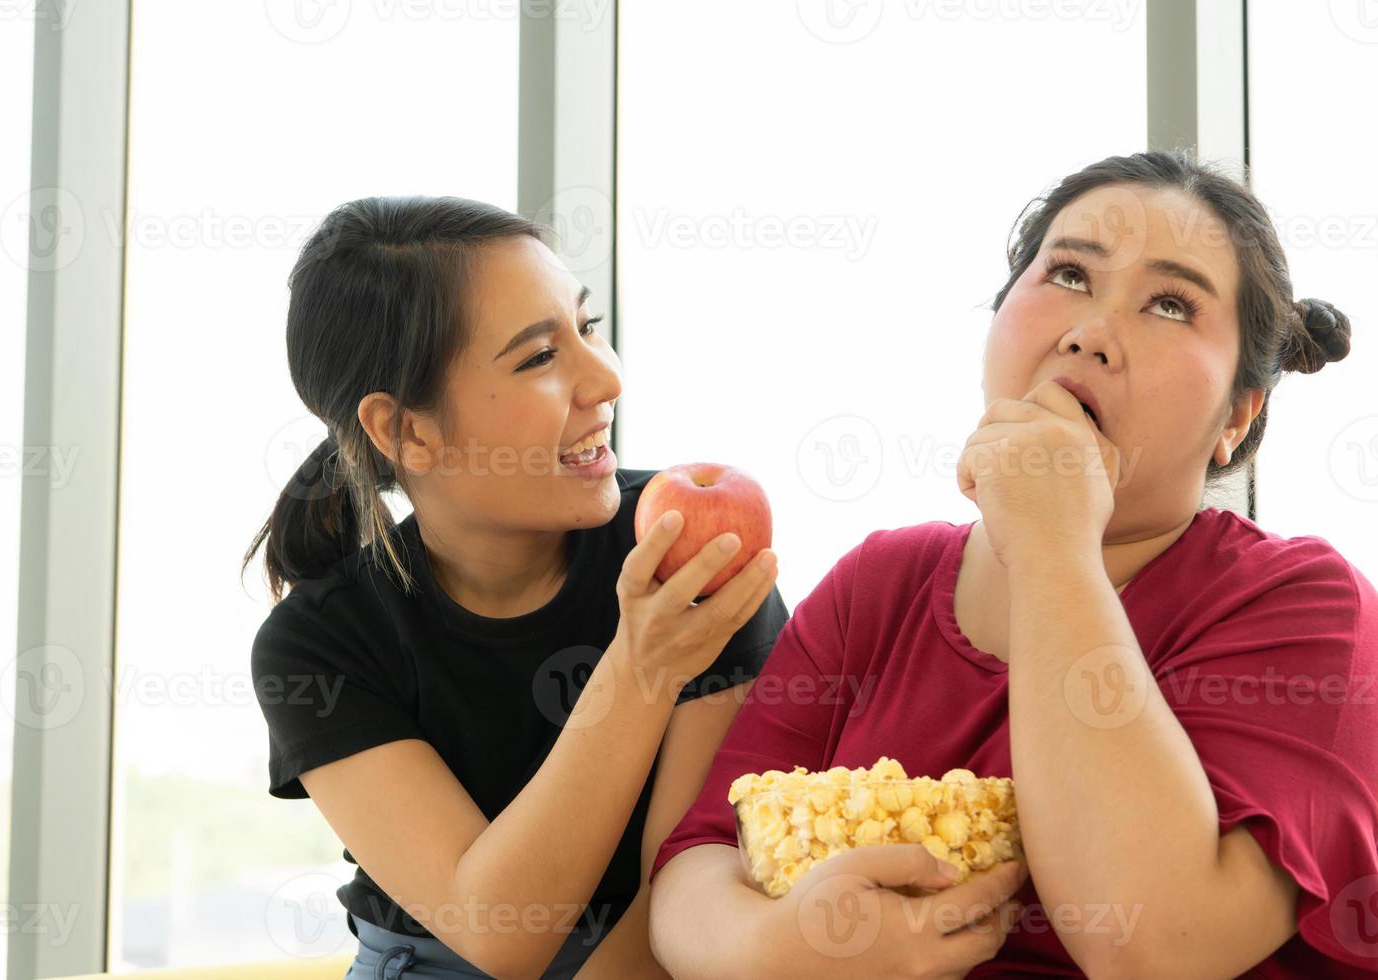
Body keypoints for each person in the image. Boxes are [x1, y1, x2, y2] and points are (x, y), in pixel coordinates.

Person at [648, 150, 1378, 978]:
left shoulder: (1309, 607)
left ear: (1237, 420)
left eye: (1171, 305)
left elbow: (1152, 947)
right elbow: (701, 857)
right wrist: (772, 949)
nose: (1092, 333)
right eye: (1069, 274)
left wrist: (1054, 542)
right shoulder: (877, 585)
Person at [244, 196, 788, 978]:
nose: (606, 379)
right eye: (539, 358)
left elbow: (684, 892)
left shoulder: (686, 554)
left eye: (587, 327)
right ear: (406, 432)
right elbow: (499, 930)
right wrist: (642, 668)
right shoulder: (317, 645)